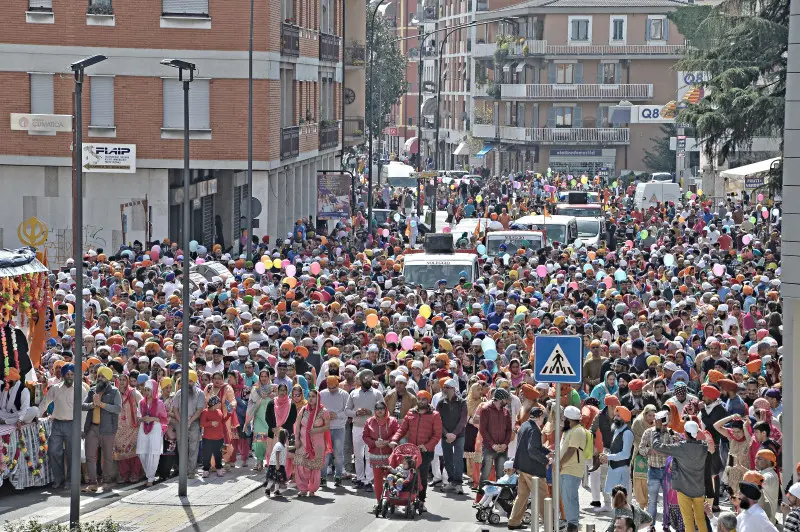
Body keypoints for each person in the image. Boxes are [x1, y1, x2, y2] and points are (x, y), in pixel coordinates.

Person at [652, 419, 709, 532]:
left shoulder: (679, 448)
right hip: (699, 490)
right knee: (700, 520)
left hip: (683, 490)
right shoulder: (704, 447)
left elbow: (656, 445)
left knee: (688, 521)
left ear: (685, 433)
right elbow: (693, 445)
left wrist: (657, 430)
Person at [390, 390, 442, 512]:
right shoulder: (411, 412)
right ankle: (405, 498)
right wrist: (394, 439)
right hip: (411, 451)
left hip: (425, 452)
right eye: (419, 398)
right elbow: (402, 429)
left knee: (422, 477)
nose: (421, 401)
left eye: (424, 399)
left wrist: (427, 446)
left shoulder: (434, 415)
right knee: (406, 474)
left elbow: (437, 434)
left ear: (428, 400)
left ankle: (421, 501)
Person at [40, 363, 87, 490]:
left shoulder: (81, 389)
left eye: (72, 374)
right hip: (57, 424)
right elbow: (45, 403)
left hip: (73, 424)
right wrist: (36, 416)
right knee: (53, 451)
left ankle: (71, 480)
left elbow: (84, 410)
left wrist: (82, 428)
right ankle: (58, 479)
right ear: (63, 375)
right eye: (67, 374)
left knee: (72, 454)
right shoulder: (55, 388)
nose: (70, 376)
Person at [508, 406, 549, 530]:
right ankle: (549, 524)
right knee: (543, 496)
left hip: (522, 466)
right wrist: (546, 459)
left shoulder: (525, 425)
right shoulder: (535, 430)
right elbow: (532, 449)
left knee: (522, 495)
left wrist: (547, 451)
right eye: (543, 417)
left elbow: (533, 446)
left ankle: (514, 521)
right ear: (540, 417)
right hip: (532, 469)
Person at [81, 365, 121, 492]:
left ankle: (107, 481)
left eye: (103, 376)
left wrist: (102, 405)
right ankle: (93, 482)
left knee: (108, 456)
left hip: (108, 428)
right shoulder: (92, 391)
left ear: (108, 379)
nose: (100, 378)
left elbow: (117, 409)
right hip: (92, 428)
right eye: (98, 376)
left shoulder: (114, 391)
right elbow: (82, 406)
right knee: (90, 456)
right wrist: (93, 404)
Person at [346, 368, 382, 491]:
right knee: (358, 456)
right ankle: (360, 479)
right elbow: (347, 410)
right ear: (360, 380)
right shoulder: (353, 393)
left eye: (369, 377)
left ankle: (368, 481)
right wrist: (356, 413)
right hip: (357, 427)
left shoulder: (377, 393)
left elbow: (384, 410)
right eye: (364, 378)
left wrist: (371, 412)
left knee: (369, 455)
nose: (367, 379)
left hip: (373, 429)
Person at [294, 389, 331, 497]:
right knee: (301, 465)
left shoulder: (324, 411)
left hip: (317, 443)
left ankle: (312, 489)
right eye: (309, 396)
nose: (310, 399)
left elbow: (327, 426)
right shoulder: (304, 410)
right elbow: (297, 425)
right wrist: (296, 439)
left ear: (318, 398)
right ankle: (302, 489)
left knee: (315, 467)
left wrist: (316, 430)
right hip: (303, 441)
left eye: (313, 396)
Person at [362, 401, 399, 506]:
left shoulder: (393, 421)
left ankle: (392, 501)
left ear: (386, 409)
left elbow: (398, 433)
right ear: (375, 410)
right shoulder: (369, 421)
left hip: (389, 455)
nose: (379, 410)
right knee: (377, 479)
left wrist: (387, 442)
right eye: (377, 408)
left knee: (391, 478)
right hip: (375, 455)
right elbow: (365, 436)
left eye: (382, 408)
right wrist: (374, 443)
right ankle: (379, 501)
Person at [436, 377, 467, 494]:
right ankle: (451, 481)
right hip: (445, 435)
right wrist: (446, 433)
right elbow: (438, 420)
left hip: (459, 435)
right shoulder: (440, 403)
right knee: (447, 459)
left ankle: (458, 483)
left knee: (458, 459)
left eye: (447, 387)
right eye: (444, 387)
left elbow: (463, 420)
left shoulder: (462, 402)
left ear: (453, 389)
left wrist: (453, 434)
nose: (445, 389)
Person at [172, 370, 205, 478]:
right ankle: (183, 470)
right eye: (187, 381)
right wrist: (182, 422)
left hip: (194, 422)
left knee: (193, 447)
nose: (188, 383)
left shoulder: (200, 393)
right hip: (180, 422)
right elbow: (175, 409)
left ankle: (192, 471)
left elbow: (199, 410)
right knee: (182, 447)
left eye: (191, 381)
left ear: (195, 381)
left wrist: (189, 422)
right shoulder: (179, 393)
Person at [560, 405, 587, 532]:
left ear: (568, 419)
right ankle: (571, 523)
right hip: (566, 469)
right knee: (567, 497)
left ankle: (573, 524)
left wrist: (559, 463)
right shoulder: (569, 430)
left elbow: (571, 450)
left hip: (572, 469)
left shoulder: (578, 431)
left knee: (570, 498)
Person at [478, 388, 513, 484]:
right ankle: (480, 496)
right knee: (485, 473)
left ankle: (499, 498)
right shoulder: (485, 410)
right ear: (500, 399)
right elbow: (483, 429)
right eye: (505, 399)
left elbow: (509, 430)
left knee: (501, 476)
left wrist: (505, 444)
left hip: (503, 448)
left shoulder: (506, 411)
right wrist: (493, 445)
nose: (507, 402)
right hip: (489, 448)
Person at [115, 373, 144, 483]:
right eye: (120, 379)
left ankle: (135, 474)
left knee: (133, 453)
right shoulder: (115, 393)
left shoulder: (133, 392)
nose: (122, 382)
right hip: (119, 429)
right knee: (121, 453)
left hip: (133, 428)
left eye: (124, 379)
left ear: (127, 381)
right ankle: (123, 475)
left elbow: (142, 404)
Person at [319, 375, 349, 486]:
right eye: (329, 387)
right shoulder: (322, 394)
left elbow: (348, 410)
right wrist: (325, 415)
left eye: (334, 387)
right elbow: (318, 409)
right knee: (325, 454)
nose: (331, 390)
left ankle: (338, 476)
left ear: (338, 384)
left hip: (339, 427)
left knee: (338, 454)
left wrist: (336, 415)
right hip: (325, 428)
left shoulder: (344, 394)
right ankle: (323, 477)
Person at [137, 380, 167, 486]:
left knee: (153, 452)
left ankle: (150, 477)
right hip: (143, 427)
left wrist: (152, 418)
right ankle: (148, 474)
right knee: (142, 452)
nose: (146, 392)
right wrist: (142, 419)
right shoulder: (141, 402)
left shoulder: (159, 403)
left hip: (155, 428)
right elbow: (138, 416)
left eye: (149, 390)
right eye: (145, 390)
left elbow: (163, 419)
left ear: (154, 390)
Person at [601, 406, 634, 494]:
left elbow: (626, 454)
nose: (615, 418)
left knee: (620, 499)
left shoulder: (627, 433)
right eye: (615, 415)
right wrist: (606, 454)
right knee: (614, 497)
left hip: (621, 469)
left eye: (618, 416)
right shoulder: (617, 430)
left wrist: (608, 457)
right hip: (613, 469)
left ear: (624, 418)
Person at [265, 383, 297, 470]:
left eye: (284, 390)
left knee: (284, 455)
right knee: (271, 452)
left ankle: (284, 474)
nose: (282, 392)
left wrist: (281, 429)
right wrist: (274, 428)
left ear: (287, 391)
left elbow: (292, 419)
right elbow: (267, 417)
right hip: (272, 432)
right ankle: (272, 473)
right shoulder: (271, 403)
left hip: (286, 433)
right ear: (277, 391)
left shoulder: (292, 404)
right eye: (281, 390)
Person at [247, 371, 273, 471]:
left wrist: (272, 396)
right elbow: (251, 403)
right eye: (261, 376)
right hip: (259, 419)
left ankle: (270, 462)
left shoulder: (274, 388)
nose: (263, 378)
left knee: (269, 442)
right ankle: (259, 460)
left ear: (269, 377)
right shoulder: (255, 389)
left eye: (266, 376)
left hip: (270, 420)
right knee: (259, 442)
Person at [200, 395, 229, 478]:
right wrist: (211, 423)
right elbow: (202, 423)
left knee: (218, 455)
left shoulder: (219, 411)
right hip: (207, 438)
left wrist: (229, 413)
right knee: (206, 456)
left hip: (219, 438)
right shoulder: (205, 412)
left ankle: (219, 469)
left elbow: (223, 420)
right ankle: (206, 470)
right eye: (218, 403)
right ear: (213, 404)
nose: (219, 404)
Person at [265, 428, 288, 497]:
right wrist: (277, 464)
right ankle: (267, 489)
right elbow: (277, 453)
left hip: (279, 464)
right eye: (287, 437)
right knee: (273, 479)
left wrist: (295, 447)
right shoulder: (278, 445)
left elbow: (288, 448)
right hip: (275, 465)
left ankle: (276, 491)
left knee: (278, 479)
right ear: (284, 437)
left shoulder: (284, 445)